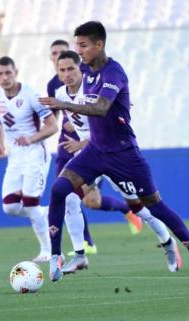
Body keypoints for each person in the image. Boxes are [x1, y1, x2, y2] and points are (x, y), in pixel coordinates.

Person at [39, 21, 189, 284]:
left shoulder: (113, 73)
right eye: (77, 46)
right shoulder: (84, 69)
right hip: (96, 150)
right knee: (59, 190)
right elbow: (72, 76)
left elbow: (101, 107)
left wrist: (63, 104)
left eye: (83, 46)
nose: (80, 51)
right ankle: (55, 257)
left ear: (100, 45)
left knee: (154, 206)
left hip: (124, 154)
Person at [54, 50, 180, 275]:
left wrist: (83, 142)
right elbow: (80, 119)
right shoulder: (60, 94)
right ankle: (80, 254)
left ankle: (167, 241)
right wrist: (75, 128)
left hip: (112, 153)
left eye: (71, 68)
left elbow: (111, 118)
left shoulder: (94, 88)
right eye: (61, 70)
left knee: (139, 207)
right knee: (70, 197)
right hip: (91, 157)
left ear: (80, 68)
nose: (67, 74)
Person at [47, 40, 143, 256]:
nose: (58, 58)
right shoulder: (55, 86)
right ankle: (87, 244)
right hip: (67, 148)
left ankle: (140, 216)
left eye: (63, 54)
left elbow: (100, 105)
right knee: (85, 200)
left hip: (96, 145)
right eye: (54, 54)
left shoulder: (89, 80)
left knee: (82, 198)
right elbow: (58, 114)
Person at [0, 56, 58, 262]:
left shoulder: (31, 95)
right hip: (15, 158)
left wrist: (31, 139)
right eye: (0, 74)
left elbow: (52, 126)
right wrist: (0, 144)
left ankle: (48, 251)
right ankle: (43, 213)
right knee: (10, 207)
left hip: (35, 154)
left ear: (16, 72)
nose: (4, 78)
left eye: (8, 73)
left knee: (29, 203)